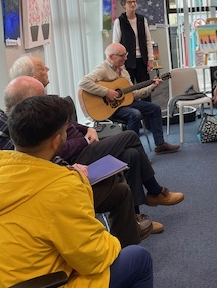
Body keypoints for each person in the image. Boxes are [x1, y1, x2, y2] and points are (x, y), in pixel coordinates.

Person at [0, 95, 171, 288]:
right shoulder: (58, 187)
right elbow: (96, 257)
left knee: (77, 263)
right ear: (56, 141)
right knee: (136, 259)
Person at [10, 56, 184, 226]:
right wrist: (85, 141)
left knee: (131, 154)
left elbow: (70, 125)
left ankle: (135, 218)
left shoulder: (44, 101)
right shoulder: (31, 114)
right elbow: (57, 150)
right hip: (77, 159)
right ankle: (155, 191)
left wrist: (89, 129)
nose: (47, 69)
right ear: (32, 79)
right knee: (131, 136)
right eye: (42, 68)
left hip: (85, 146)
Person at [0, 76, 143, 247]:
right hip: (42, 205)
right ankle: (131, 241)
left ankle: (134, 227)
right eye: (43, 98)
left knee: (126, 164)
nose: (47, 72)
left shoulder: (0, 139)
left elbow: (37, 159)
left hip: (21, 211)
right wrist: (70, 170)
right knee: (119, 180)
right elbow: (94, 257)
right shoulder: (15, 140)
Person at [78, 43, 179, 155]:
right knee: (134, 114)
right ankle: (133, 151)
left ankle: (160, 145)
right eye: (122, 56)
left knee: (154, 108)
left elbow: (133, 94)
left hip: (124, 104)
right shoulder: (102, 69)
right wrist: (106, 92)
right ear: (111, 57)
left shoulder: (124, 72)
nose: (126, 58)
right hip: (109, 108)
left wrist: (151, 87)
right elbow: (83, 83)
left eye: (126, 55)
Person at [113, 0, 154, 86]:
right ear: (124, 5)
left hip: (142, 60)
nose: (133, 4)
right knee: (128, 91)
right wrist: (119, 64)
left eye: (134, 1)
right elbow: (116, 44)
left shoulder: (142, 20)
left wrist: (150, 59)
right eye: (129, 2)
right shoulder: (119, 21)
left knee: (146, 89)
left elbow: (148, 40)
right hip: (126, 62)